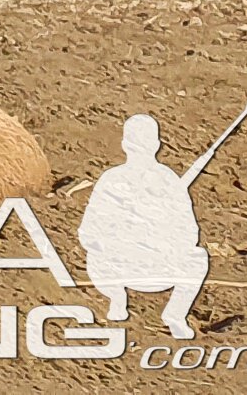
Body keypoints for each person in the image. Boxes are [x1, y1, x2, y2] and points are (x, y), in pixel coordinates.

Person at [77, 113, 217, 337]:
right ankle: (172, 313)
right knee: (197, 258)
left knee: (94, 255)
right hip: (141, 266)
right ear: (156, 145)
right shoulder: (168, 180)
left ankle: (118, 298)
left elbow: (88, 232)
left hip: (129, 268)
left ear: (124, 145)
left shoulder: (112, 178)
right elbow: (190, 234)